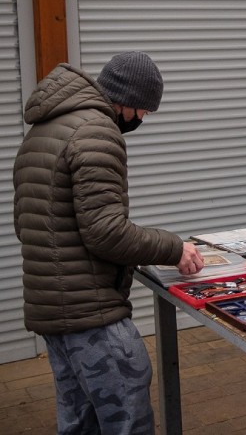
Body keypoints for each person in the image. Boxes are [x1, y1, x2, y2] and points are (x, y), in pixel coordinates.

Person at [13, 51, 205, 435]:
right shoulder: (96, 131)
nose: (143, 119)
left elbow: (28, 222)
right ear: (127, 101)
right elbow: (105, 232)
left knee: (79, 421)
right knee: (126, 418)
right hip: (89, 310)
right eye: (144, 111)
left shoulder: (47, 127)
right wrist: (174, 248)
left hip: (53, 304)